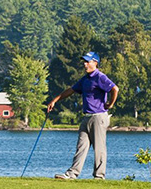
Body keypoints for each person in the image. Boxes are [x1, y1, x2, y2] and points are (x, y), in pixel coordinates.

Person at [47, 51, 119, 180]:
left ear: (95, 63)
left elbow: (115, 89)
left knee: (99, 148)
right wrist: (55, 100)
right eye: (84, 62)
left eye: (88, 61)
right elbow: (71, 90)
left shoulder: (100, 77)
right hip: (86, 117)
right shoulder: (85, 79)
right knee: (81, 147)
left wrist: (111, 104)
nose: (85, 64)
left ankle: (99, 176)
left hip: (99, 117)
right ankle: (72, 174)